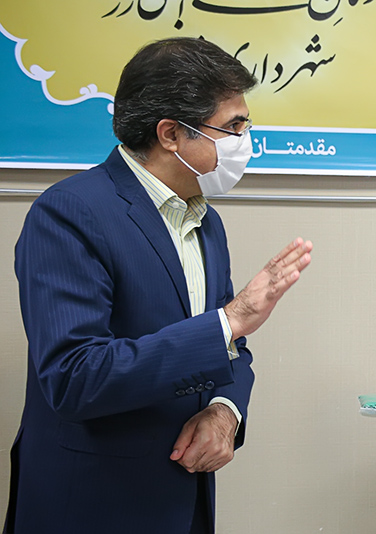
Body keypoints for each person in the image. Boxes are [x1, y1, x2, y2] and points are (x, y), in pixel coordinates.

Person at [3, 37, 312, 534]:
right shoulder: (69, 213)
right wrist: (230, 320)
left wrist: (225, 411)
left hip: (185, 500)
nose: (245, 140)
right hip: (94, 505)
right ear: (171, 134)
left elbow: (230, 349)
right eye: (233, 126)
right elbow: (74, 378)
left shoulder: (205, 220)